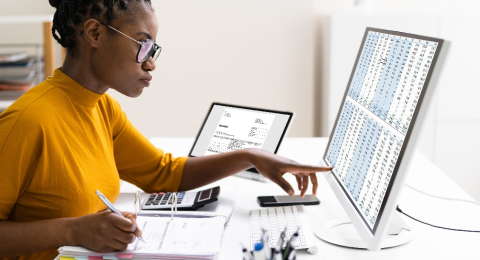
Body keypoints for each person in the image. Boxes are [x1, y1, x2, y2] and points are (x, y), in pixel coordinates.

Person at [0, 1, 332, 259]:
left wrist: (251, 157)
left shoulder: (101, 108)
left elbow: (164, 174)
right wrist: (72, 231)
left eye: (154, 50)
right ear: (95, 34)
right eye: (143, 46)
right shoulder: (27, 122)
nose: (151, 63)